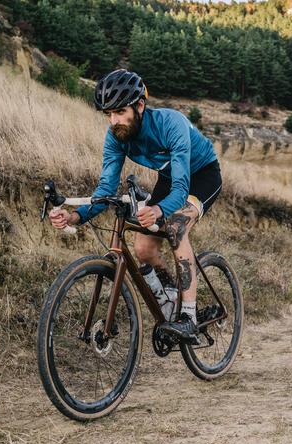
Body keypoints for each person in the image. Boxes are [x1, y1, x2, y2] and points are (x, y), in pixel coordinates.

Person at [49, 69, 222, 343]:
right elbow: (105, 190)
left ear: (140, 105)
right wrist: (74, 217)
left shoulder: (170, 124)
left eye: (119, 112)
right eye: (108, 114)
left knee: (176, 226)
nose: (114, 120)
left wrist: (158, 210)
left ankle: (188, 317)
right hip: (169, 176)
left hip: (202, 174)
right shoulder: (116, 137)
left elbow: (180, 189)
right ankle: (172, 301)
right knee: (143, 248)